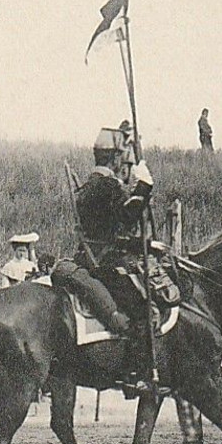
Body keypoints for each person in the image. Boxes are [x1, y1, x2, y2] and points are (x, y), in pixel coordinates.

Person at [51, 127, 155, 388]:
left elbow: (110, 225)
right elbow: (127, 216)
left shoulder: (92, 184)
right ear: (116, 158)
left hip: (95, 256)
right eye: (123, 157)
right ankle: (137, 373)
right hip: (106, 262)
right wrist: (144, 186)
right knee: (144, 306)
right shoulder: (106, 186)